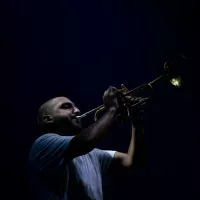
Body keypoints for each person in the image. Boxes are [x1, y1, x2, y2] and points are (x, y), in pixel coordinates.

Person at [28, 86, 146, 200]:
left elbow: (133, 162)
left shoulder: (93, 154)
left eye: (75, 107)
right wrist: (111, 109)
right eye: (66, 107)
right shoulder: (43, 144)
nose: (77, 110)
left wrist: (136, 119)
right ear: (48, 119)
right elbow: (86, 141)